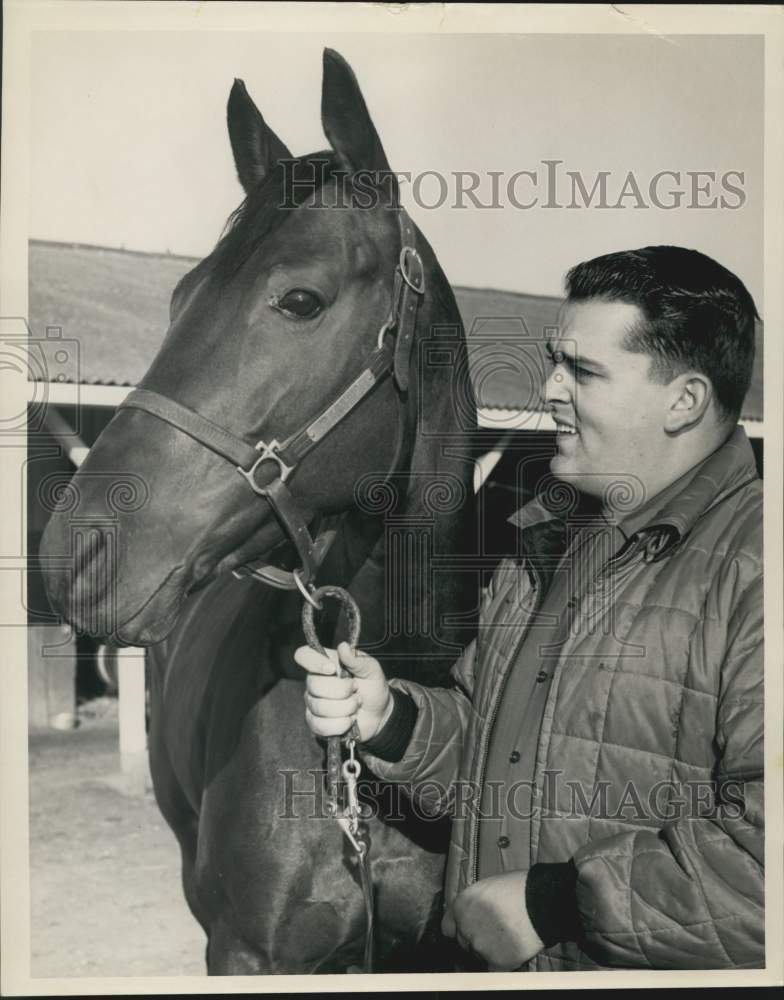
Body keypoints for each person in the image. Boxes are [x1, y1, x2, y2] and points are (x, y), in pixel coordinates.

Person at [295, 245, 764, 971]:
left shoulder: (760, 568)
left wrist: (553, 905)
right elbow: (488, 756)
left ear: (686, 401)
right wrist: (388, 720)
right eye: (555, 361)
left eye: (583, 370)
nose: (549, 388)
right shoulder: (546, 541)